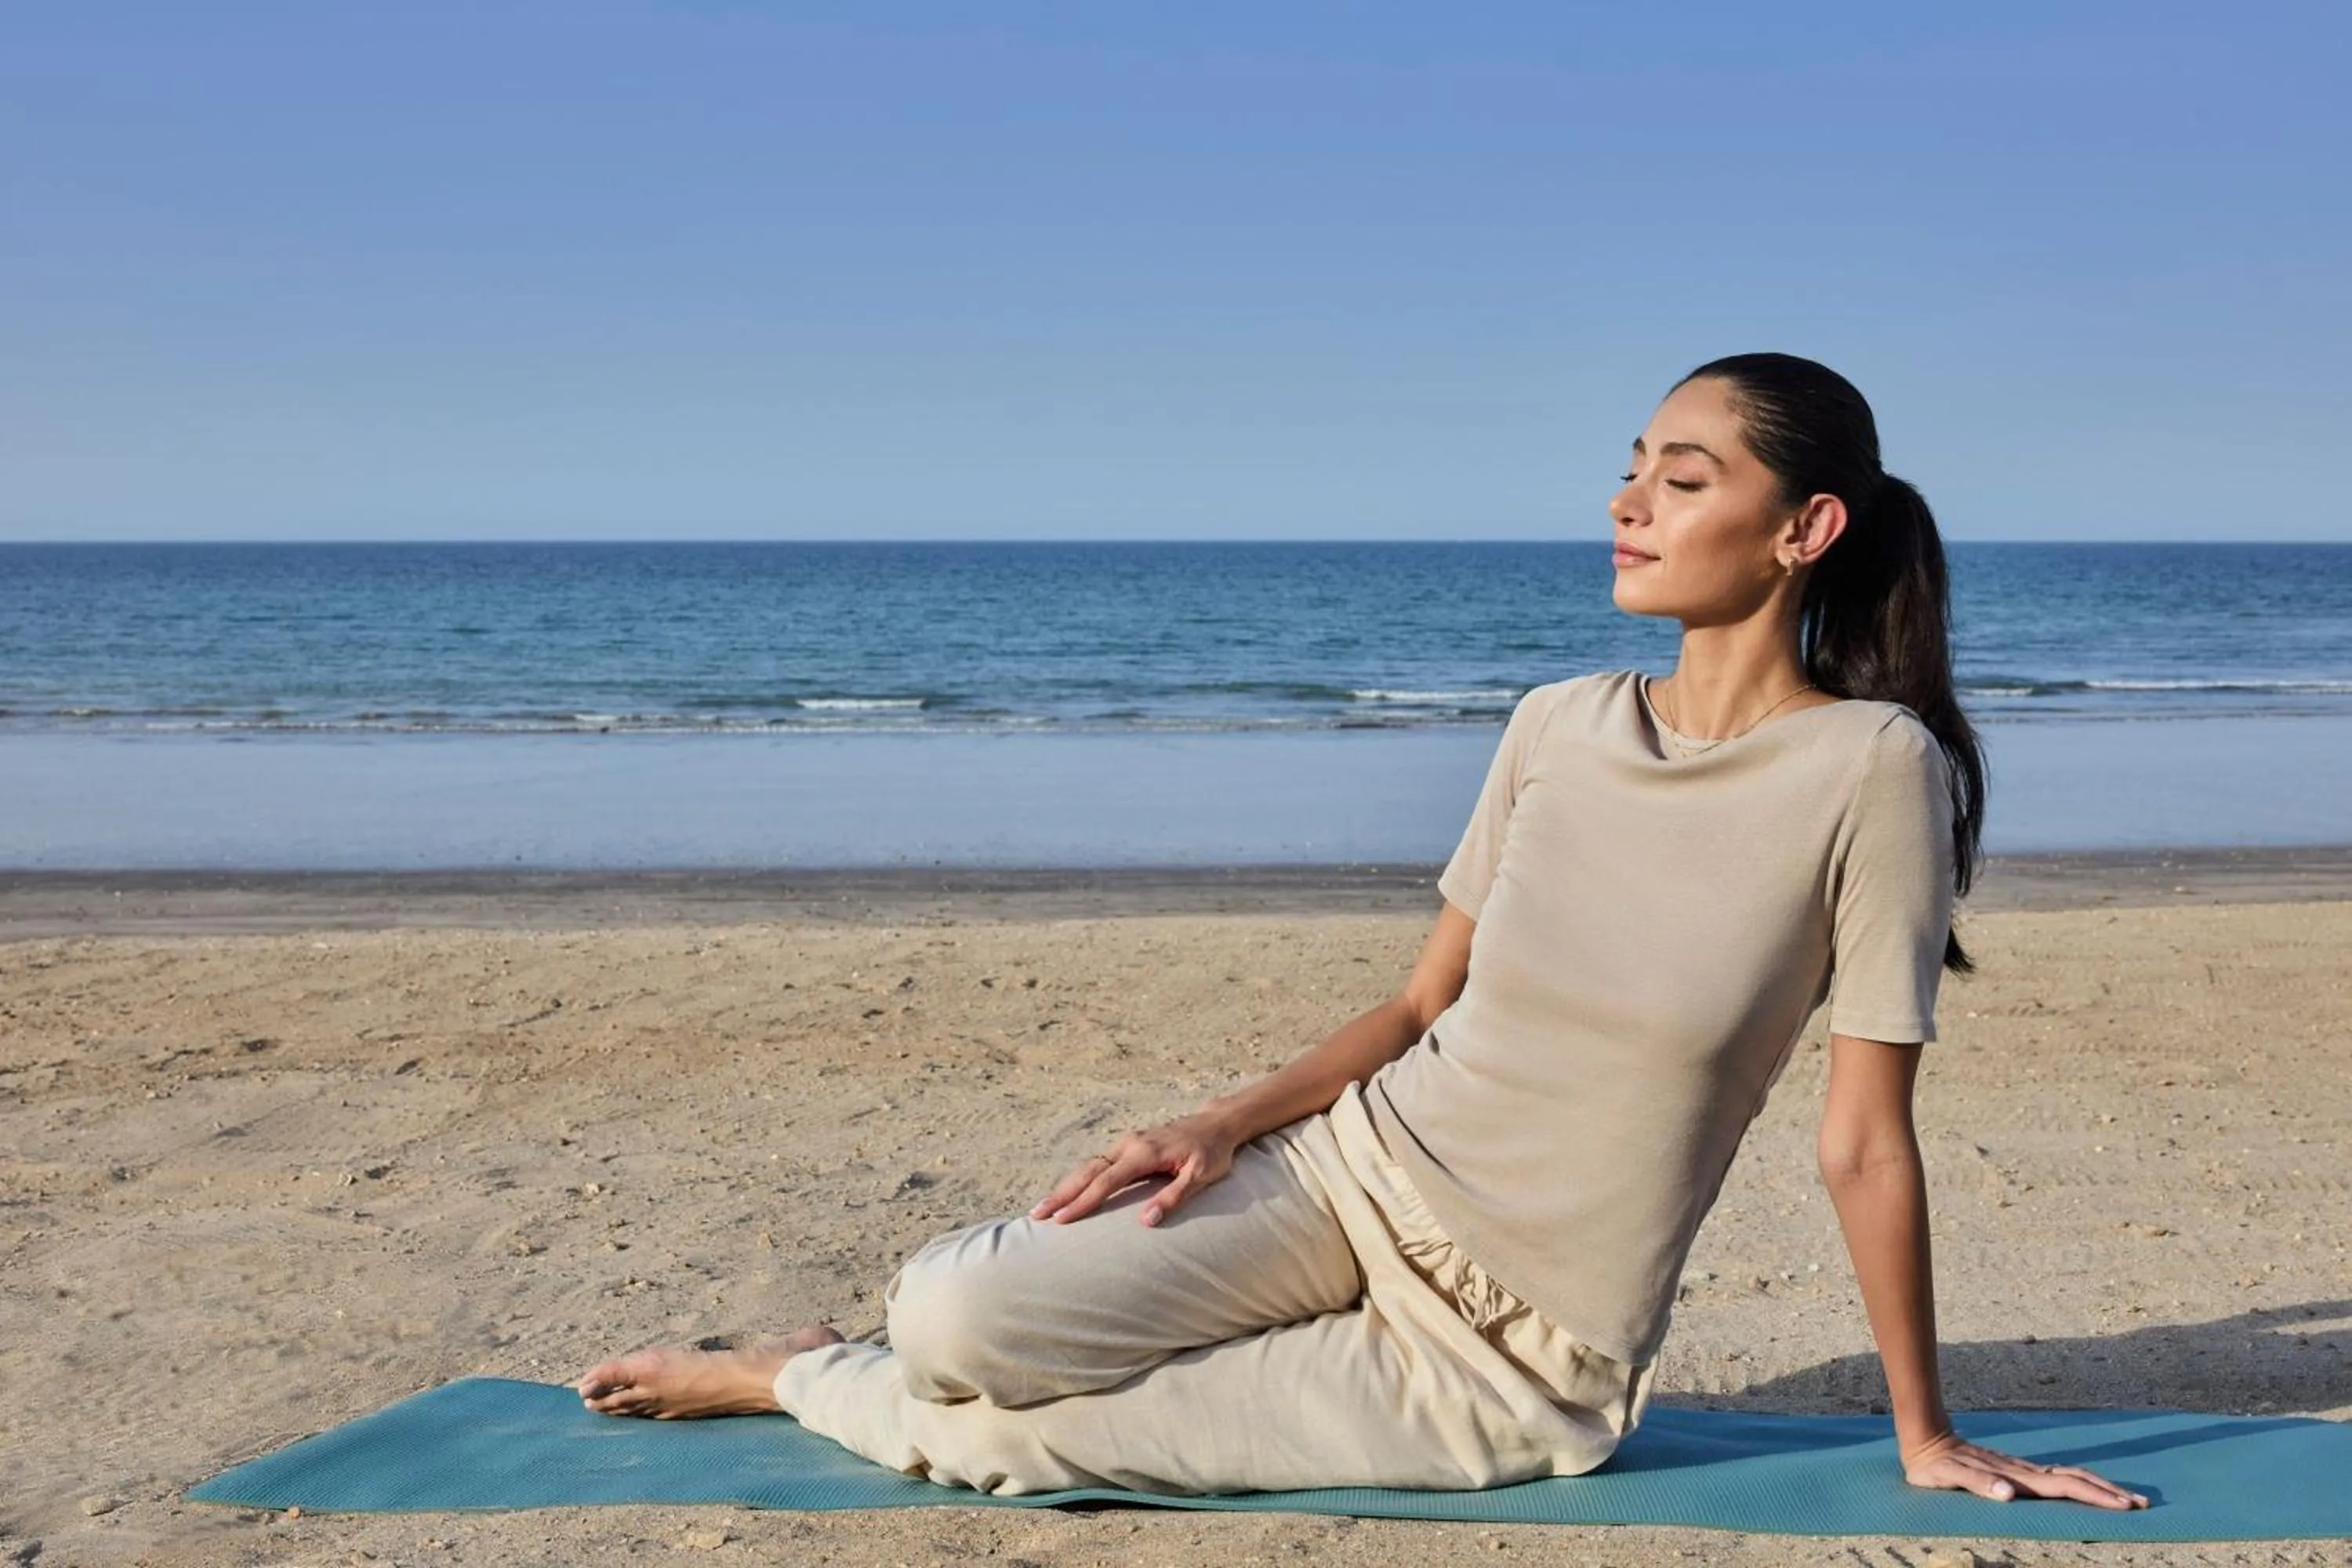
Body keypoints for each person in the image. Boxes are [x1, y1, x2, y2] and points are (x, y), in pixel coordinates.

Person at [579, 353, 2148, 1512]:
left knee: (1017, 1444)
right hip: (1350, 1178)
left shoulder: (1875, 771)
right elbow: (1416, 1008)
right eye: (1631, 467)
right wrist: (1214, 1122)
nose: (1627, 503)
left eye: (1683, 479)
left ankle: (787, 1373)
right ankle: (867, 1342)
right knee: (951, 1312)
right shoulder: (1558, 722)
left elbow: (1865, 1139)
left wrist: (1920, 1429)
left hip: (1506, 1354)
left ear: (1805, 528)